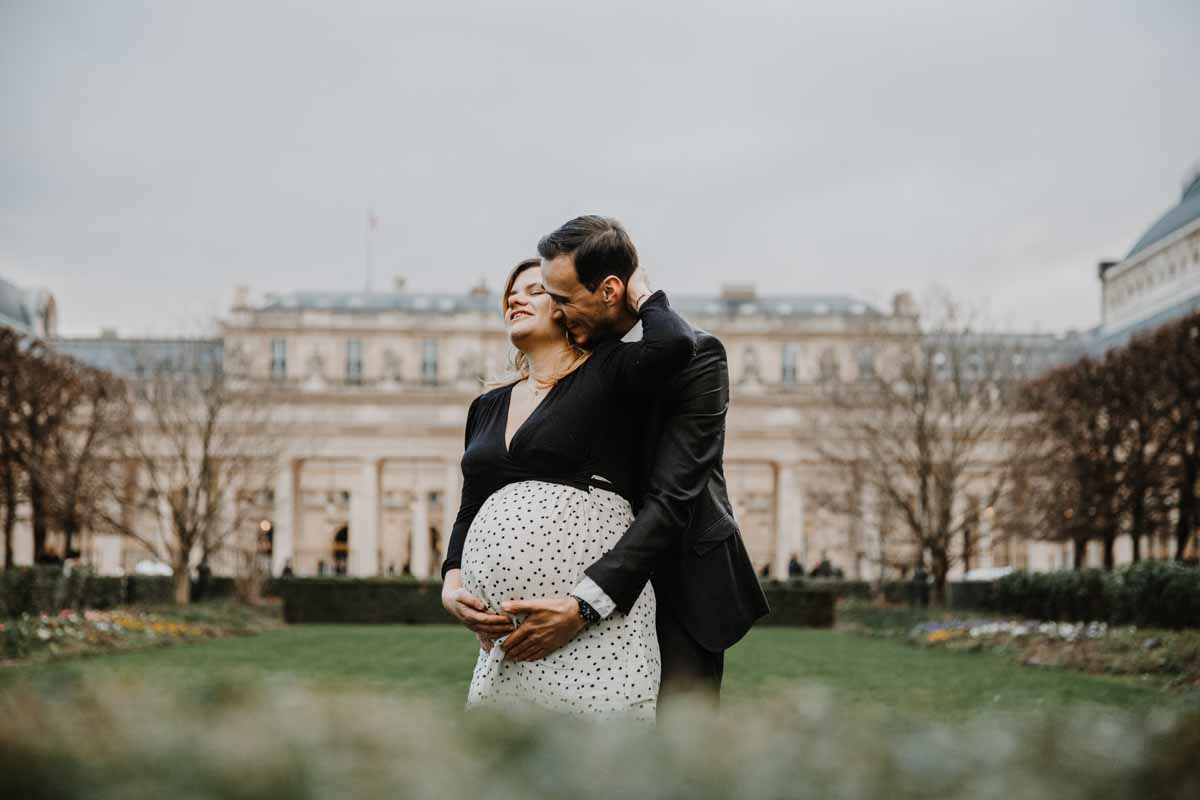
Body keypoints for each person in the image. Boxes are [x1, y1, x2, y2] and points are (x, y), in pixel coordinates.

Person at [449, 215, 768, 710]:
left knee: (668, 760)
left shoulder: (692, 355)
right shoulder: (576, 368)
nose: (550, 306)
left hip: (676, 578)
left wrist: (584, 605)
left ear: (611, 290)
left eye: (559, 297)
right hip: (562, 595)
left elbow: (672, 499)